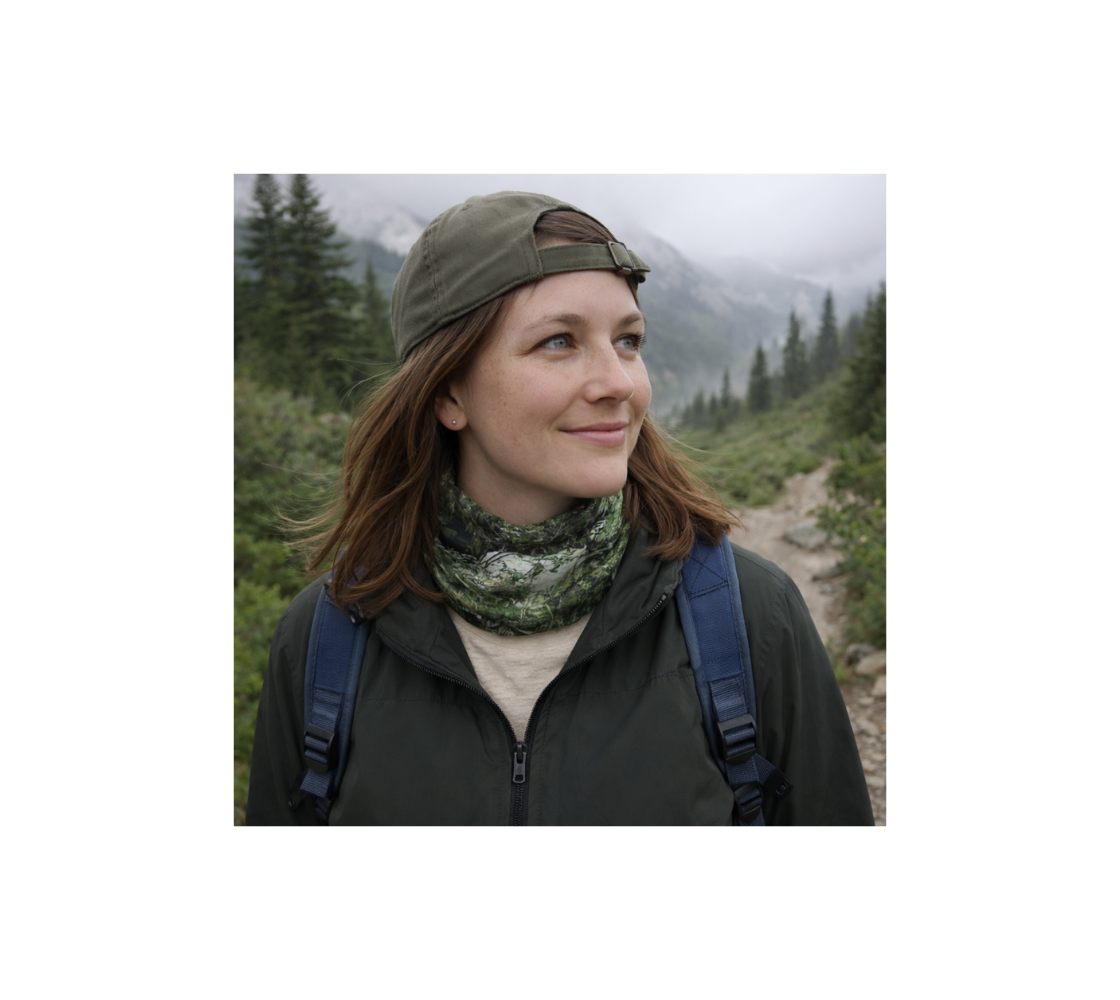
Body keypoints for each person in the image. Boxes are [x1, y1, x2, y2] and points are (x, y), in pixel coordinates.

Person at [246, 191, 873, 827]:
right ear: (446, 392)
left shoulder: (751, 618)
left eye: (628, 340)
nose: (619, 382)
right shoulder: (325, 639)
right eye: (558, 342)